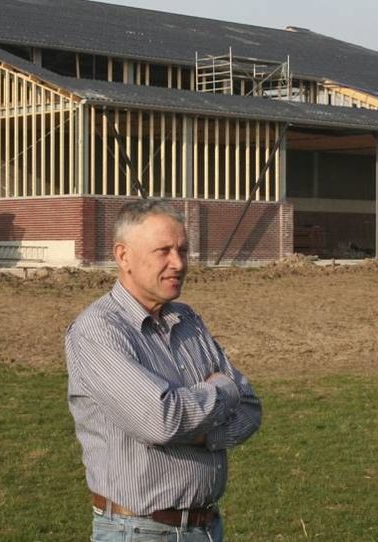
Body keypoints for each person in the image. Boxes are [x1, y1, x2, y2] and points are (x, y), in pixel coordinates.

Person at [66, 199, 262, 541]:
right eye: (163, 251)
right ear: (123, 256)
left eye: (183, 250)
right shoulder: (98, 331)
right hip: (139, 531)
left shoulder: (187, 320)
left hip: (206, 528)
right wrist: (223, 391)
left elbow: (250, 408)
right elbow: (162, 420)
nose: (179, 263)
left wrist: (203, 431)